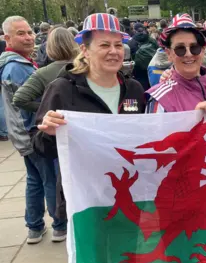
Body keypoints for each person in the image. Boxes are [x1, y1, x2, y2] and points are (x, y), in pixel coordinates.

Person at [33, 13, 146, 227]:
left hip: (129, 196)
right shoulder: (62, 89)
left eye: (118, 45)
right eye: (104, 45)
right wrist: (47, 134)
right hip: (85, 200)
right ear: (84, 50)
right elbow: (39, 148)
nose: (113, 52)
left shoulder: (134, 89)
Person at [0, 16, 67, 244]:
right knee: (50, 179)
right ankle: (59, 225)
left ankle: (35, 227)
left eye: (29, 31)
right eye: (21, 33)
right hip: (32, 132)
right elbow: (22, 100)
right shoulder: (17, 67)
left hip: (23, 134)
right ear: (7, 37)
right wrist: (50, 108)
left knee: (35, 180)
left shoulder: (19, 63)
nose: (28, 37)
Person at [146, 14, 206, 114]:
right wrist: (193, 119)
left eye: (194, 47)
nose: (188, 54)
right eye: (180, 49)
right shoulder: (160, 98)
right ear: (169, 54)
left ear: (203, 51)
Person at [13, 27, 79, 113]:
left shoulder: (42, 73)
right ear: (74, 44)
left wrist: (50, 108)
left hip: (57, 122)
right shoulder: (90, 66)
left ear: (49, 47)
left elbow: (19, 99)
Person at [129, 22, 159, 90]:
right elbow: (158, 51)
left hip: (138, 72)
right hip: (152, 69)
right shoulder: (152, 40)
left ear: (134, 30)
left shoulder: (131, 42)